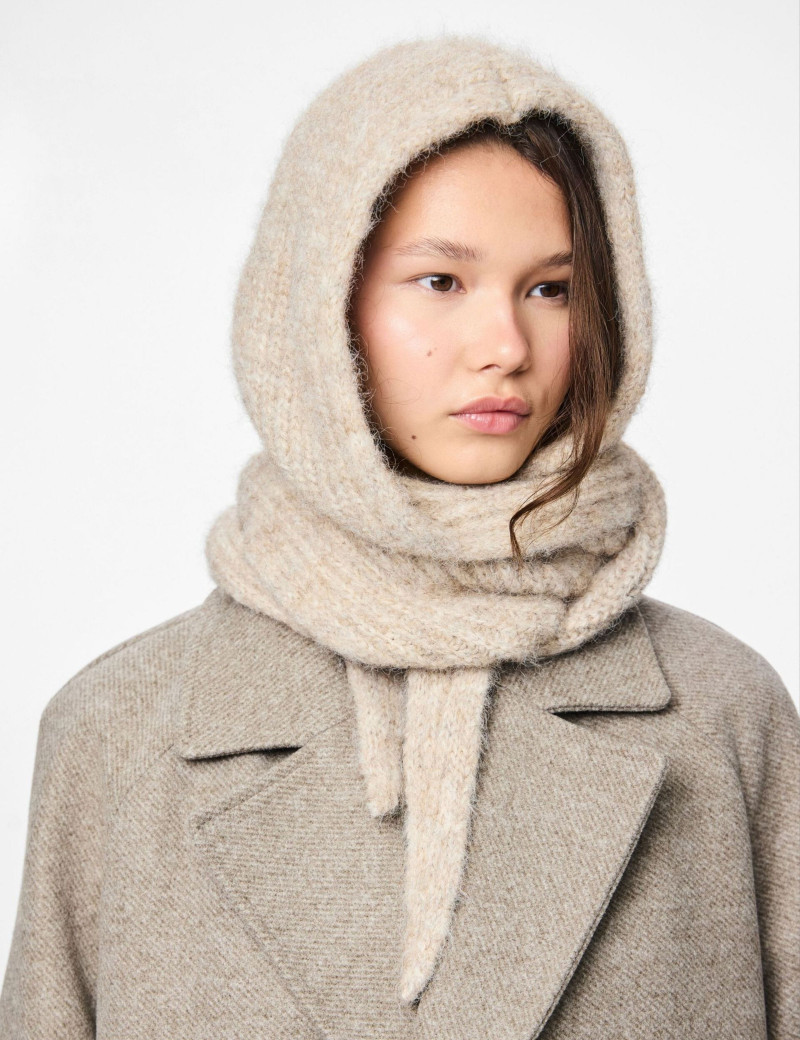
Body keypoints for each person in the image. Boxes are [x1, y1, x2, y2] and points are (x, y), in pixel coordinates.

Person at [1, 33, 798, 1040]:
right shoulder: (117, 733)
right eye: (440, 282)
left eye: (550, 288)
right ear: (319, 306)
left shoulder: (724, 716)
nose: (504, 346)